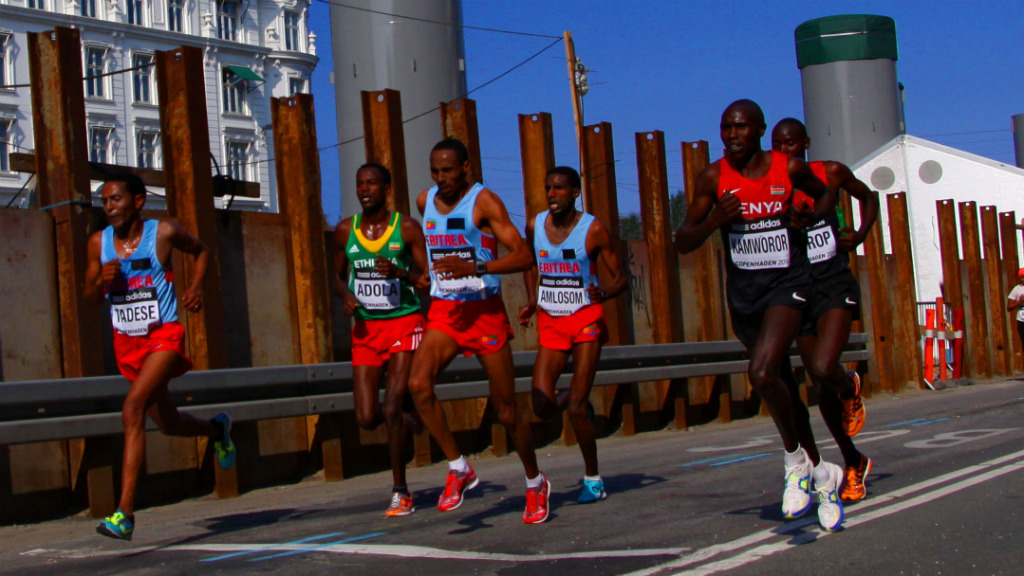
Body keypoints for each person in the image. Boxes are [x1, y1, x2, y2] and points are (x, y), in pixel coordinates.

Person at [673, 100, 845, 532]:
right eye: (726, 127)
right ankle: (823, 473)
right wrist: (715, 220)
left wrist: (811, 216)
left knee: (762, 372)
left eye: (741, 128)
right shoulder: (713, 177)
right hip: (744, 296)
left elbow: (826, 193)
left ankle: (793, 463)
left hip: (789, 284)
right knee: (781, 386)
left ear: (760, 130)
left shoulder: (786, 168)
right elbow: (682, 241)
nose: (732, 135)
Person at [83, 173, 235, 540]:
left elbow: (201, 251)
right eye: (105, 202)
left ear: (137, 201)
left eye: (116, 199)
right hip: (128, 346)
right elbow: (87, 298)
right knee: (167, 424)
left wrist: (196, 287)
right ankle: (217, 429)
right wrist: (101, 281)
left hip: (164, 338)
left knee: (132, 409)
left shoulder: (162, 234)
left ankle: (124, 514)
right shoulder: (98, 243)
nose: (110, 207)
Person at [407, 138, 549, 524]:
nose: (441, 178)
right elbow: (435, 250)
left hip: (484, 312)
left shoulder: (484, 202)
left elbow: (524, 255)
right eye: (435, 171)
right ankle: (459, 468)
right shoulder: (424, 201)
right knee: (418, 384)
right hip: (447, 312)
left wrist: (478, 268)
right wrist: (427, 275)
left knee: (506, 412)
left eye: (449, 170)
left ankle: (535, 482)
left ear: (465, 168)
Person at [771, 117, 878, 503]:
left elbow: (869, 196)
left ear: (806, 143)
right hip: (799, 290)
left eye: (791, 144)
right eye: (778, 145)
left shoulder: (829, 172)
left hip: (834, 284)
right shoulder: (770, 187)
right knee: (819, 386)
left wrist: (861, 234)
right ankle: (853, 461)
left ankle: (850, 384)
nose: (785, 152)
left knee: (822, 368)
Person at [517, 166, 627, 504]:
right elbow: (530, 263)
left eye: (560, 188)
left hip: (585, 320)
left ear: (575, 193)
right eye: (548, 188)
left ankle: (593, 479)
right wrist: (532, 300)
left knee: (577, 408)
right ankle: (574, 399)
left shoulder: (593, 230)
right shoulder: (535, 225)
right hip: (552, 321)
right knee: (541, 404)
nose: (552, 194)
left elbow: (621, 277)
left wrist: (605, 294)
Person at [333, 163, 429, 517]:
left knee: (388, 408)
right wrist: (345, 295)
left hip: (404, 322)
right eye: (360, 184)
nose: (364, 189)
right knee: (366, 417)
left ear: (387, 187)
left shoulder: (406, 228)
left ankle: (401, 491)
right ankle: (406, 414)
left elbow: (430, 282)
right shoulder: (346, 230)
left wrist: (402, 272)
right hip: (366, 330)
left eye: (372, 183)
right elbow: (337, 276)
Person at [1006, 268, 1024, 351]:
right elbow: (1009, 307)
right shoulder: (1017, 289)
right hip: (1022, 320)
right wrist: (1020, 302)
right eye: (1022, 277)